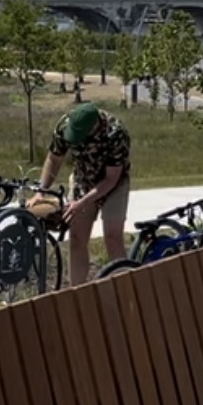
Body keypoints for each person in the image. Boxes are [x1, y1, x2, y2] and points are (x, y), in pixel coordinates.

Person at [35, 101, 131, 285]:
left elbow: (111, 178)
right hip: (83, 180)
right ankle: (77, 292)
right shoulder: (65, 125)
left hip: (114, 184)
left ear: (95, 126)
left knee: (113, 237)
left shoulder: (115, 133)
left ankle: (125, 289)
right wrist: (41, 191)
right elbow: (54, 159)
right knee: (77, 239)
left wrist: (84, 202)